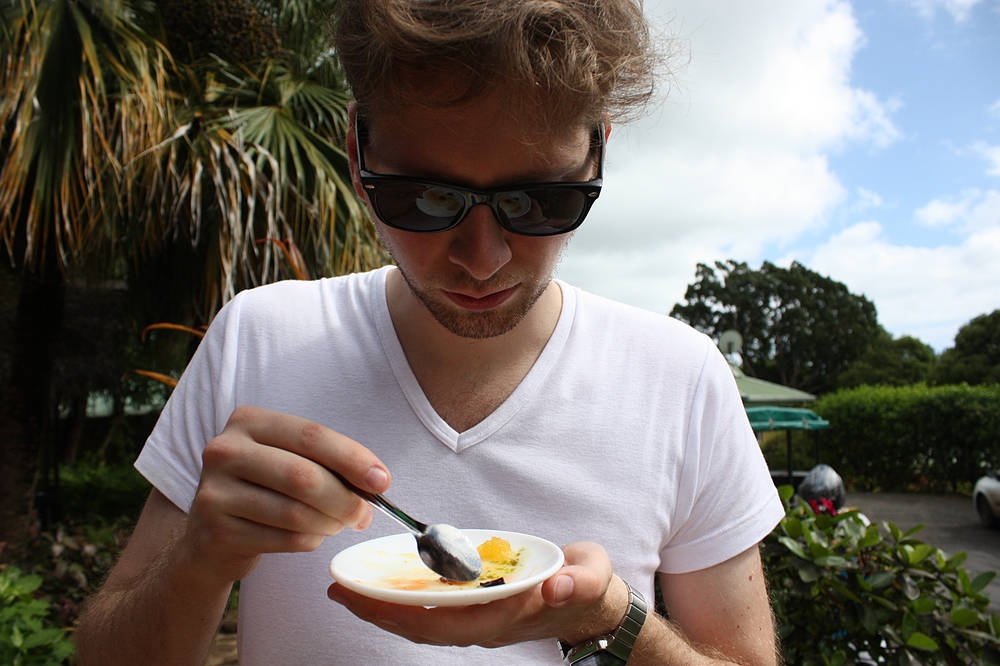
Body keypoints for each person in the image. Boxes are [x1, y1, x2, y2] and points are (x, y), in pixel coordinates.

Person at [75, 1, 785, 664]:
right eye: (424, 197)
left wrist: (612, 620)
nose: (483, 260)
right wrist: (199, 560)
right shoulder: (257, 341)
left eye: (541, 200)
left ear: (598, 151)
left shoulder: (680, 378)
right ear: (357, 150)